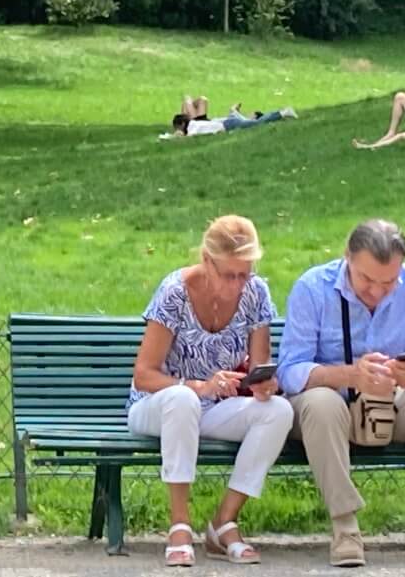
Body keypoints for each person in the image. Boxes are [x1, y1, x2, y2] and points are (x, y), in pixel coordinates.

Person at [278, 220, 405, 567]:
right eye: (366, 280)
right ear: (347, 257)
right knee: (320, 402)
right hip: (332, 413)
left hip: (391, 406)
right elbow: (290, 371)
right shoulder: (312, 288)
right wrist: (349, 376)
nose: (376, 292)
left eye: (388, 282)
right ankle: (345, 529)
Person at [127, 215, 294, 567]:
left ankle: (224, 522)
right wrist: (199, 386)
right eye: (227, 275)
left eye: (243, 274)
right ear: (206, 261)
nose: (237, 285)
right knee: (183, 399)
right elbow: (143, 375)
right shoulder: (175, 291)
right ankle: (179, 525)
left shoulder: (256, 293)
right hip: (159, 404)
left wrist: (263, 384)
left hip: (214, 408)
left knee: (279, 411)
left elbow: (259, 365)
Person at [167, 100, 297, 138]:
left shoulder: (192, 128)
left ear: (182, 124)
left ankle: (283, 113)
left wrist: (172, 137)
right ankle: (233, 110)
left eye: (177, 128)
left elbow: (185, 138)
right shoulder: (194, 124)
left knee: (256, 124)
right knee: (249, 121)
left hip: (229, 124)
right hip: (227, 122)